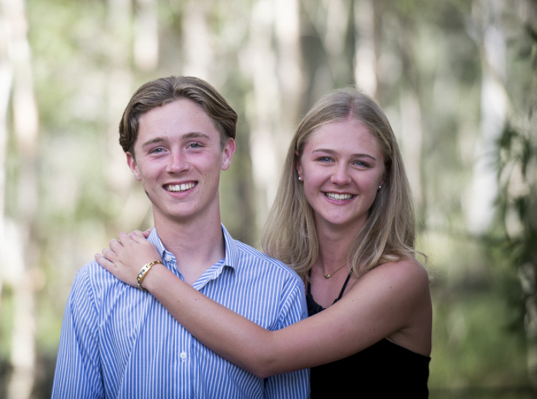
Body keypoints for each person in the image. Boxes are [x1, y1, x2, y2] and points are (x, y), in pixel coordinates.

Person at [96, 87, 432, 398]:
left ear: (384, 175)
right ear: (300, 165)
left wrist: (150, 272)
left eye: (360, 163)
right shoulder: (286, 273)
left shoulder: (401, 279)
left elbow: (266, 355)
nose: (340, 176)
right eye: (325, 159)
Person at [51, 76, 310, 398]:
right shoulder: (94, 288)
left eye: (194, 145)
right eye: (158, 150)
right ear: (134, 164)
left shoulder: (280, 287)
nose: (177, 165)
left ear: (226, 152)